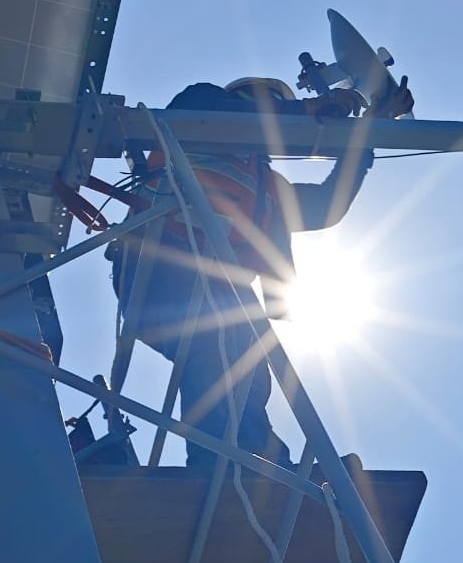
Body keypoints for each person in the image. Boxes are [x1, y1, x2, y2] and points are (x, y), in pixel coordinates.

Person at [113, 77, 374, 471]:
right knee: (214, 345)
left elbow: (324, 207)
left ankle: (268, 470)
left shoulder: (266, 183)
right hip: (163, 259)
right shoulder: (203, 101)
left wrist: (363, 145)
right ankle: (216, 464)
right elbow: (222, 115)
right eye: (272, 102)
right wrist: (305, 110)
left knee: (249, 369)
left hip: (215, 281)